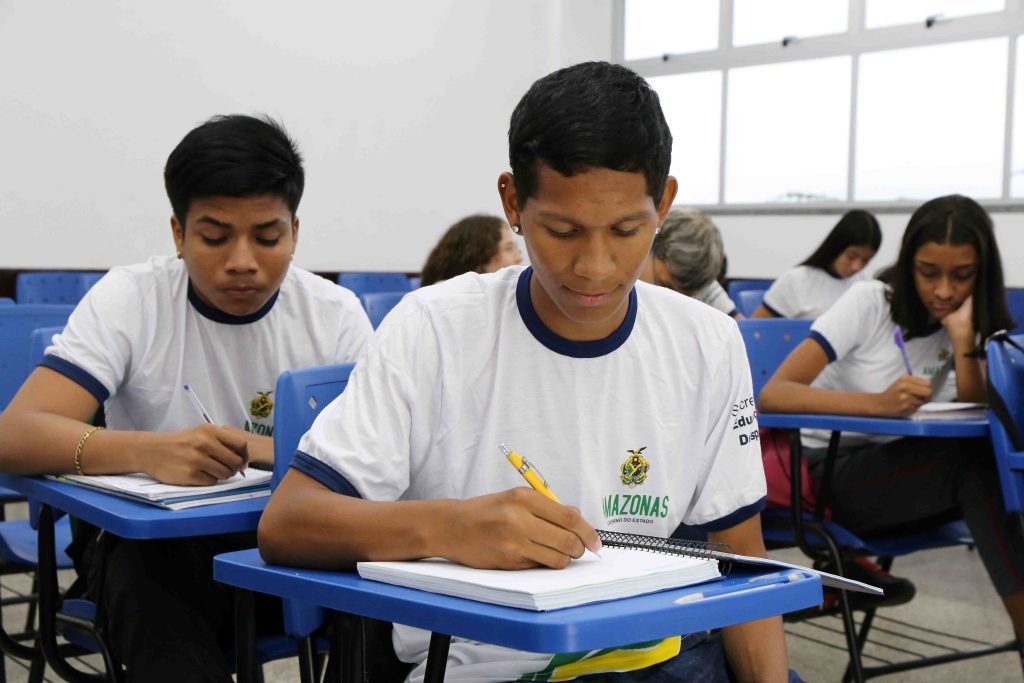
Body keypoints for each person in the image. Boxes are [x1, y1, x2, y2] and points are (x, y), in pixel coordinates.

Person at [260, 61, 798, 682]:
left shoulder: (707, 340)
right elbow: (288, 523)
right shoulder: (436, 328)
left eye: (627, 230)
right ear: (513, 203)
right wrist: (452, 525)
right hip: (488, 667)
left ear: (665, 203)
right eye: (562, 230)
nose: (595, 266)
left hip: (656, 657)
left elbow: (743, 563)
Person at [0, 114, 373, 681]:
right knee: (154, 577)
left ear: (295, 230)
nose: (243, 260)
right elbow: (15, 435)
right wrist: (148, 452)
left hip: (290, 542)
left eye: (268, 237)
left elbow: (378, 450)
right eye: (215, 237)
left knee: (383, 583)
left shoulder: (334, 314)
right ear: (178, 233)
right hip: (158, 554)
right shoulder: (132, 300)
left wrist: (259, 448)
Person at [759, 195, 1024, 651]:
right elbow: (774, 392)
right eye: (928, 272)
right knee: (977, 468)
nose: (944, 290)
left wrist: (963, 339)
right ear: (907, 263)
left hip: (908, 479)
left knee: (985, 467)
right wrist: (877, 404)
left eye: (961, 276)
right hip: (828, 475)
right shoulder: (869, 302)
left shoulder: (967, 323)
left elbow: (974, 409)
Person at [753, 210, 881, 319]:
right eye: (851, 256)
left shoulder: (863, 285)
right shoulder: (797, 280)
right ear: (837, 246)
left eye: (865, 260)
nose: (856, 267)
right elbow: (756, 332)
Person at [639, 208, 741, 318]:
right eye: (665, 286)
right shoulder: (624, 275)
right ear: (651, 246)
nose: (671, 301)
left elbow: (741, 329)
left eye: (687, 297)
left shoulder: (700, 281)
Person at [420, 213, 523, 285]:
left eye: (516, 249)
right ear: (478, 257)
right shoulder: (440, 302)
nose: (519, 257)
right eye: (509, 249)